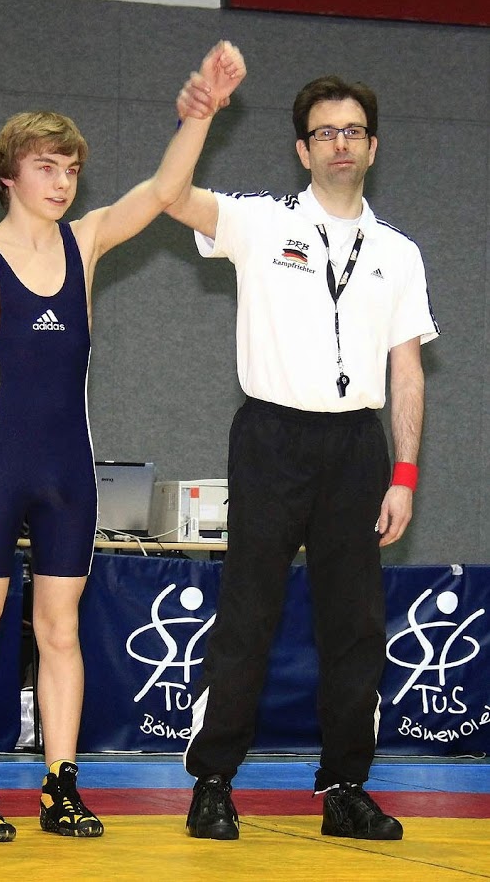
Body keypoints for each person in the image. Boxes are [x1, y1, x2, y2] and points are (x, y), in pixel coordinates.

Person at [0, 42, 246, 843]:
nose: (62, 182)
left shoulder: (86, 241)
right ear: (9, 175)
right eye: (46, 167)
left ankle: (59, 785)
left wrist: (200, 115)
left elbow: (164, 191)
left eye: (69, 169)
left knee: (61, 630)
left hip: (69, 470)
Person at [167, 71, 440, 841]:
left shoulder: (398, 252)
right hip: (270, 439)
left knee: (354, 626)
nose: (339, 143)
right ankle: (212, 782)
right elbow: (170, 195)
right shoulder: (260, 223)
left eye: (352, 131)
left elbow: (407, 371)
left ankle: (345, 787)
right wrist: (199, 118)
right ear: (301, 149)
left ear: (372, 146)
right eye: (324, 132)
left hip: (356, 448)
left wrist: (404, 475)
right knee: (247, 614)